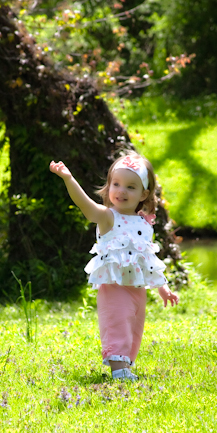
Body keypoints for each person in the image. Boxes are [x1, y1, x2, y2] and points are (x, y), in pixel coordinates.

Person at [50, 152, 179, 381]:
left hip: (136, 288)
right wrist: (68, 179)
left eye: (130, 187)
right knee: (118, 323)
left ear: (144, 194)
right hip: (114, 285)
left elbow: (148, 260)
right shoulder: (108, 217)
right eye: (116, 184)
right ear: (109, 187)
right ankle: (119, 371)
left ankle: (126, 366)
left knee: (133, 328)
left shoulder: (144, 223)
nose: (121, 191)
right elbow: (86, 206)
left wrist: (162, 288)